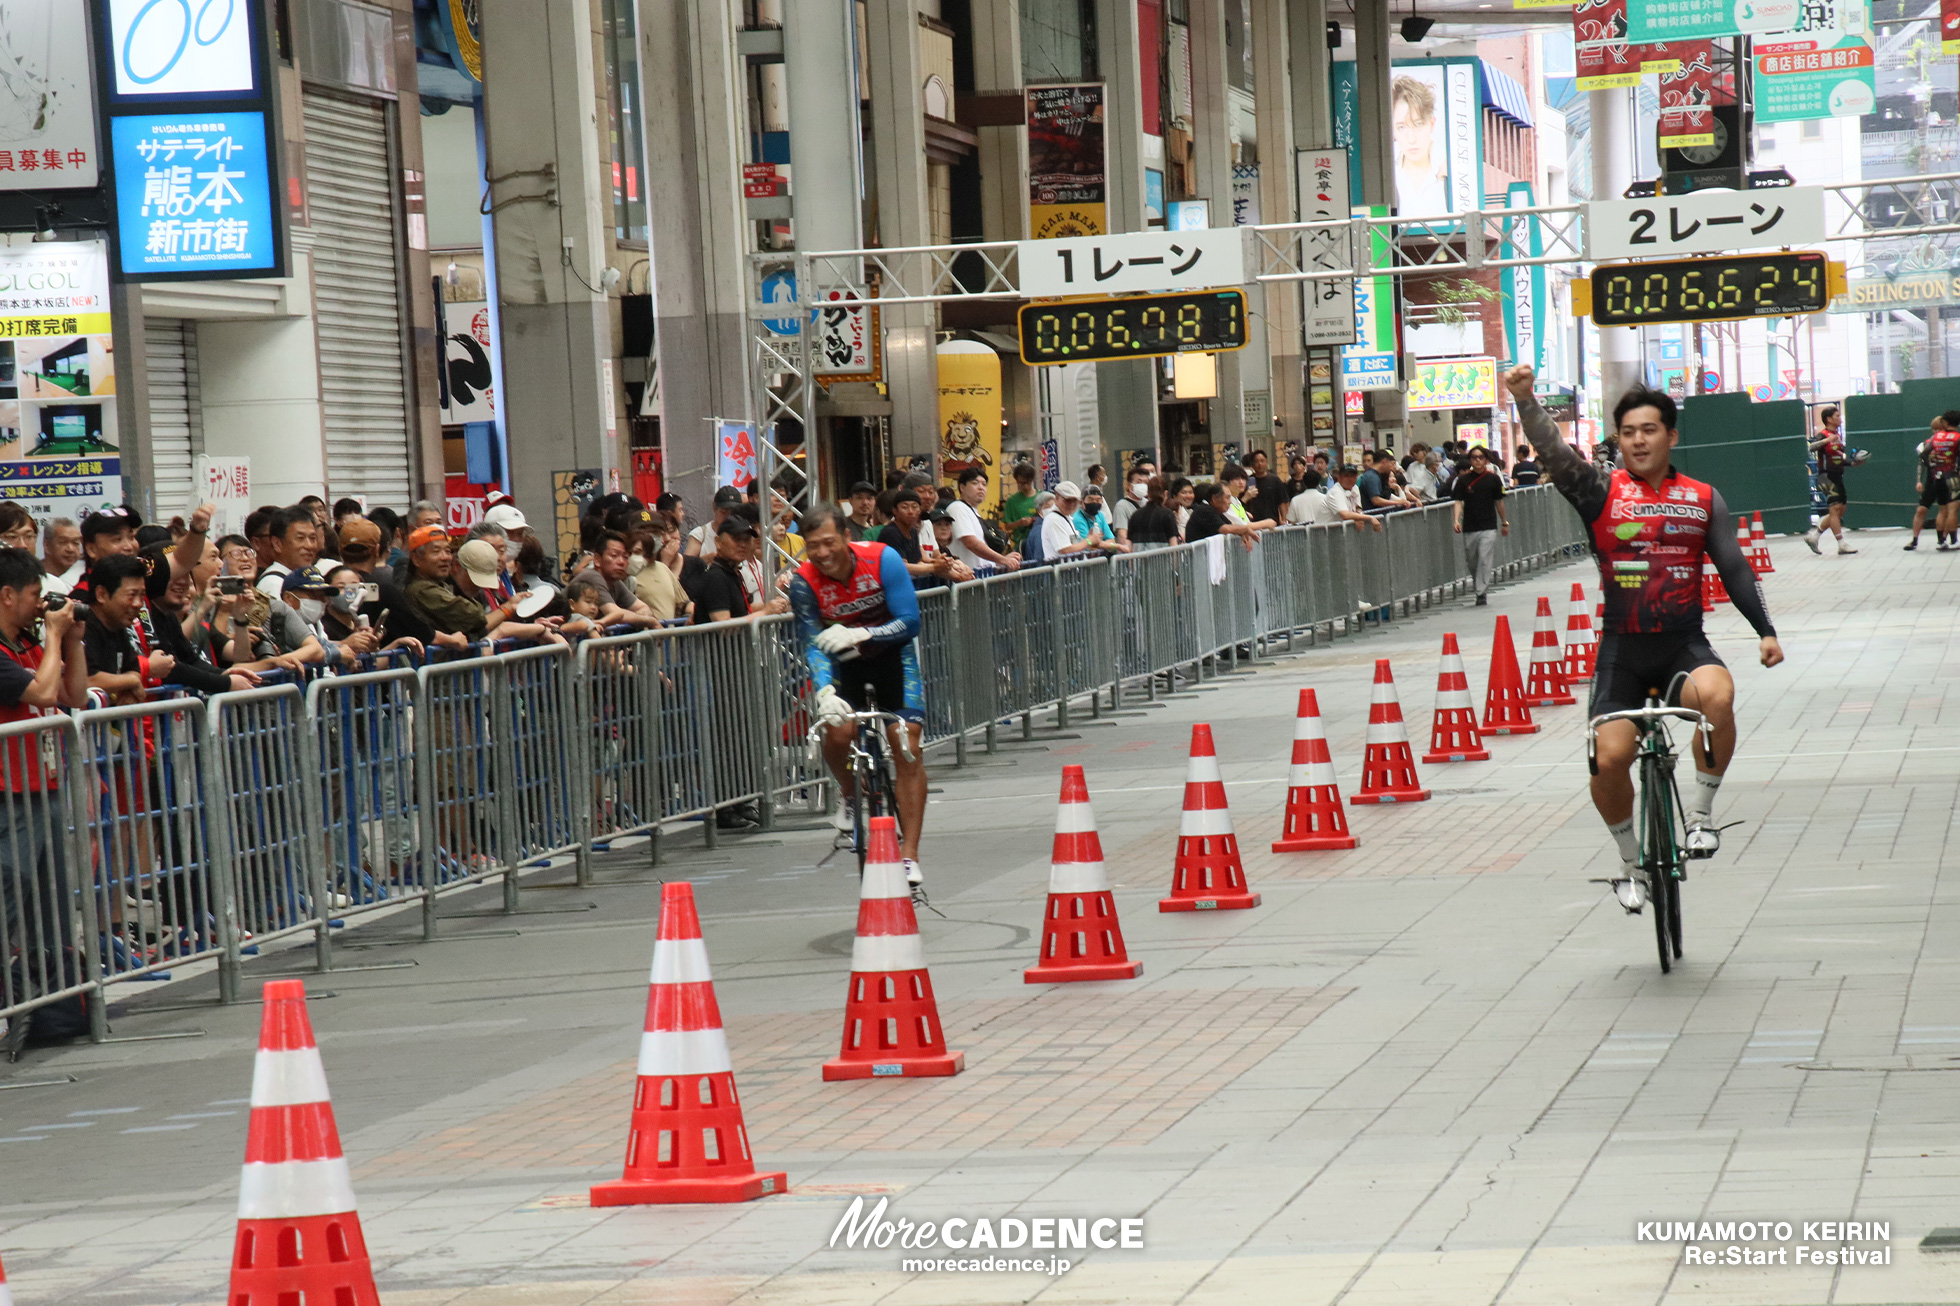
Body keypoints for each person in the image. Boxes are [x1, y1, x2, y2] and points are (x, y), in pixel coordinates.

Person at [1505, 363, 1781, 913]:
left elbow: (1734, 568)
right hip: (1622, 653)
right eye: (1628, 432)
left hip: (1683, 645)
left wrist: (1765, 632)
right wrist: (1525, 400)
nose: (1638, 439)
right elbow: (1555, 452)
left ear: (1670, 435)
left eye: (1649, 429)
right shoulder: (1599, 491)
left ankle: (1700, 817)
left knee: (1718, 698)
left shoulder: (1703, 497)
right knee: (1609, 759)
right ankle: (1631, 864)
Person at [791, 505, 930, 891]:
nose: (821, 553)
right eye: (812, 546)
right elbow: (812, 642)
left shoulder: (882, 559)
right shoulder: (803, 581)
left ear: (846, 538)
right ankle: (850, 794)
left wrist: (865, 634)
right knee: (837, 731)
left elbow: (910, 621)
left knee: (907, 742)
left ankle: (911, 855)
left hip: (892, 656)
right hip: (843, 665)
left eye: (829, 543)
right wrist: (823, 690)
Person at [0, 546, 88, 1030]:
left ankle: (52, 1008)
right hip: (9, 795)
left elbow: (72, 695)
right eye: (35, 596)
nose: (42, 606)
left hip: (44, 788)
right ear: (7, 595)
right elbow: (40, 692)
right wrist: (54, 636)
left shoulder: (28, 644)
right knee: (8, 898)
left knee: (49, 903)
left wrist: (71, 640)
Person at [1450, 446, 1509, 606]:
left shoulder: (1494, 479)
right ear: (1470, 460)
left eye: (1481, 457)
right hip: (1470, 526)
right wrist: (1456, 519)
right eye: (1474, 457)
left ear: (1486, 460)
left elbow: (1499, 502)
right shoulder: (1463, 480)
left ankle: (1481, 592)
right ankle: (1479, 584)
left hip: (1489, 525)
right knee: (1472, 560)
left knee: (1484, 557)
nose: (1477, 460)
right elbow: (1458, 502)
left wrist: (1504, 522)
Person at [943, 468, 1020, 573]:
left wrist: (1001, 560)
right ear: (962, 487)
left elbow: (980, 553)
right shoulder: (958, 508)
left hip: (981, 577)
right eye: (975, 483)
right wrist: (1002, 559)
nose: (980, 488)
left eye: (984, 484)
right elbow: (971, 543)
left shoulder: (973, 512)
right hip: (967, 578)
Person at [1391, 74, 1448, 217]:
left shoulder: (1450, 165)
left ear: (1432, 124)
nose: (1411, 139)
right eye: (1401, 127)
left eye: (1418, 124)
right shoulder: (1386, 171)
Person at [1804, 405, 1855, 554]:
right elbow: (1811, 447)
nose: (1840, 419)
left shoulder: (1837, 437)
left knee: (1840, 511)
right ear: (1829, 419)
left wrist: (1853, 462)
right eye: (1837, 416)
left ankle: (1814, 536)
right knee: (1834, 509)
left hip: (1837, 475)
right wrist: (1827, 440)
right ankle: (1841, 544)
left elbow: (1839, 458)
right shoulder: (1824, 434)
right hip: (1826, 476)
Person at [1905, 412, 1959, 551]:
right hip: (1935, 478)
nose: (1936, 432)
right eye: (1933, 430)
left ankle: (1945, 539)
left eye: (1938, 429)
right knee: (1924, 509)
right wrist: (1919, 480)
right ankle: (1915, 540)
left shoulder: (1945, 440)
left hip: (1943, 476)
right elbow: (1922, 460)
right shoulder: (1929, 442)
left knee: (1946, 510)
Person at [691, 518, 755, 624]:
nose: (743, 545)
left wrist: (773, 605)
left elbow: (742, 610)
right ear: (718, 542)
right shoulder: (716, 577)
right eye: (737, 539)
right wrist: (766, 612)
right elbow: (723, 625)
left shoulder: (731, 572)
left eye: (747, 539)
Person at [256, 506, 323, 597]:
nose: (309, 546)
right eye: (300, 538)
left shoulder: (309, 576)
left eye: (312, 538)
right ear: (277, 544)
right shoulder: (273, 584)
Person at [1290, 470, 1384, 531]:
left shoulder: (1354, 488)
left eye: (1353, 476)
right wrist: (1369, 518)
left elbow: (1358, 507)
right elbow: (1344, 514)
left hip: (1334, 536)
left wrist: (1359, 517)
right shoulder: (1334, 493)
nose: (1350, 479)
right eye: (1346, 476)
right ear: (1339, 478)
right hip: (1322, 535)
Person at [1040, 482, 1106, 559]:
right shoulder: (1054, 519)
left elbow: (1072, 545)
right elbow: (1064, 550)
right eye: (1067, 500)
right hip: (1061, 569)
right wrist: (1088, 541)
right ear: (1057, 498)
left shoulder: (1066, 517)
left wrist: (1087, 542)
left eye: (1074, 501)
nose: (1071, 504)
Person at [1125, 477, 1181, 551]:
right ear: (1165, 493)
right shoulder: (1168, 514)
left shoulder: (1135, 515)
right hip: (1162, 560)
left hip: (1139, 560)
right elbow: (1173, 544)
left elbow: (1129, 544)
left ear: (1148, 493)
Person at [686, 486, 746, 556]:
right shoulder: (700, 535)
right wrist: (704, 561)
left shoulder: (744, 535)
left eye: (733, 512)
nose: (728, 517)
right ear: (714, 507)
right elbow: (687, 564)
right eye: (724, 512)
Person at [39, 518, 83, 597]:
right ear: (47, 545)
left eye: (76, 543)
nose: (70, 549)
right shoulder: (35, 576)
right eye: (63, 542)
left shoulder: (83, 576)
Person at [1002, 463, 1041, 550]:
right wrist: (1019, 522)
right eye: (1020, 483)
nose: (1024, 486)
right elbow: (1007, 526)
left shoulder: (1043, 497)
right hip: (1021, 544)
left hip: (1041, 541)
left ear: (1032, 480)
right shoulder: (1012, 501)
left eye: (1027, 482)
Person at [1243, 450, 1287, 524]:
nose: (1259, 464)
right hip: (1253, 522)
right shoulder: (1248, 481)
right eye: (1256, 461)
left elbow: (1282, 502)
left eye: (1262, 461)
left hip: (1272, 522)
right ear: (1252, 464)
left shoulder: (1275, 480)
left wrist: (1284, 518)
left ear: (1266, 462)